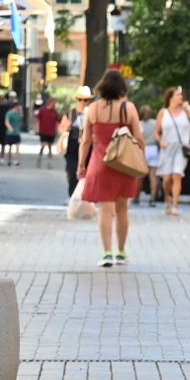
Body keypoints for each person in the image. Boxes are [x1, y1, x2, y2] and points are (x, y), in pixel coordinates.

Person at [77, 68, 145, 267]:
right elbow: (139, 138)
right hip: (124, 164)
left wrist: (82, 164)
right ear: (121, 88)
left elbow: (86, 140)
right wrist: (139, 155)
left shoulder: (93, 109)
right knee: (122, 210)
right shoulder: (128, 108)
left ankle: (107, 253)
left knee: (105, 210)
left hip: (101, 163)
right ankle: (121, 252)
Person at [156, 85, 190, 216]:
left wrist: (186, 106)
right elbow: (156, 133)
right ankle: (167, 198)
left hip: (182, 149)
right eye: (177, 95)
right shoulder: (163, 113)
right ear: (170, 97)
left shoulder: (185, 111)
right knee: (167, 178)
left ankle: (175, 205)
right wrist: (160, 141)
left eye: (181, 95)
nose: (180, 97)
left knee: (177, 175)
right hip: (167, 148)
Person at [63, 85, 90, 198]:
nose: (82, 102)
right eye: (80, 99)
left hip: (88, 145)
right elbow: (62, 128)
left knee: (87, 172)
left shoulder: (91, 113)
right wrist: (67, 127)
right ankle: (72, 196)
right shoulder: (71, 113)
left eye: (85, 99)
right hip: (73, 145)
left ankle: (85, 195)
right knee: (72, 171)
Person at [34, 97, 59, 165]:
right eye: (54, 103)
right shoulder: (43, 110)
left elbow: (57, 121)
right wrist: (36, 128)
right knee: (43, 144)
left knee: (50, 146)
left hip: (51, 131)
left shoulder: (54, 111)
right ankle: (39, 158)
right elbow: (37, 119)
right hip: (43, 130)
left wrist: (57, 129)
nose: (54, 104)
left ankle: (49, 162)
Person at [3, 99, 24, 166]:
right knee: (10, 147)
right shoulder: (9, 113)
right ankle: (9, 160)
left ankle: (17, 160)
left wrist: (21, 111)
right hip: (10, 133)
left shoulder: (18, 113)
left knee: (17, 147)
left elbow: (21, 119)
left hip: (17, 133)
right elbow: (6, 121)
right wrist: (10, 128)